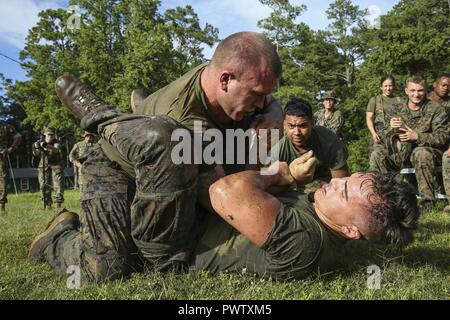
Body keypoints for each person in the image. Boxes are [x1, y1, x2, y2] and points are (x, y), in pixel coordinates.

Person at [28, 31, 283, 283]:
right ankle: (57, 236)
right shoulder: (186, 117)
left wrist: (274, 114)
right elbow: (219, 197)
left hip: (175, 161)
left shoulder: (232, 75)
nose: (260, 104)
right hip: (117, 168)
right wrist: (276, 177)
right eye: (256, 95)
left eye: (264, 96)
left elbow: (270, 100)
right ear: (225, 81)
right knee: (109, 266)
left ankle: (141, 107)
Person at [192, 155, 420, 280]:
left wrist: (281, 174)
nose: (336, 181)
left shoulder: (306, 240)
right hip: (199, 210)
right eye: (346, 179)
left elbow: (225, 191)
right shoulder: (325, 213)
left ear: (350, 230)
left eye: (344, 192)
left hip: (180, 238)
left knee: (167, 133)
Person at [369, 75, 448, 211]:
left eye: (420, 91)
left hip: (428, 151)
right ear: (406, 91)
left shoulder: (436, 109)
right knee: (377, 154)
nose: (416, 94)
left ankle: (427, 204)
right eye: (412, 91)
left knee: (420, 153)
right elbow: (383, 136)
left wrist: (416, 136)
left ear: (426, 91)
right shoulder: (396, 108)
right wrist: (390, 128)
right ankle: (381, 201)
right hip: (401, 153)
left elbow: (442, 137)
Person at [270, 98, 349, 193]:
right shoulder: (278, 150)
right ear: (284, 125)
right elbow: (269, 188)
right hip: (293, 190)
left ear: (312, 123)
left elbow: (341, 184)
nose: (297, 132)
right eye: (291, 126)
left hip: (327, 187)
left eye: (303, 126)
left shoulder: (328, 140)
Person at [428, 73, 450, 213]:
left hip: (446, 144)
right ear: (435, 84)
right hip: (427, 144)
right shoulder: (424, 100)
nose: (446, 88)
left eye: (449, 86)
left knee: (447, 158)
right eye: (443, 85)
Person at [32, 128, 65, 209]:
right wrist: (36, 148)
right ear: (45, 135)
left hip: (56, 164)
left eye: (52, 135)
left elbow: (56, 150)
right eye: (48, 135)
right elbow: (36, 154)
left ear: (54, 136)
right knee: (44, 184)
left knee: (58, 185)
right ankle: (47, 204)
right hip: (43, 165)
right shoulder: (40, 142)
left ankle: (58, 204)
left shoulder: (57, 142)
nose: (50, 137)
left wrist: (46, 145)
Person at [366, 76, 403, 147]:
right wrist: (373, 133)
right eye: (385, 86)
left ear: (393, 86)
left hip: (397, 135)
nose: (388, 88)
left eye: (390, 86)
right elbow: (369, 119)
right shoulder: (375, 100)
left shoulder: (399, 100)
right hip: (380, 135)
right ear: (381, 87)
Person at [0, 121, 22, 213]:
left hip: (1, 156)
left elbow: (18, 137)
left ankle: (1, 205)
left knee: (2, 180)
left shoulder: (5, 127)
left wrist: (11, 148)